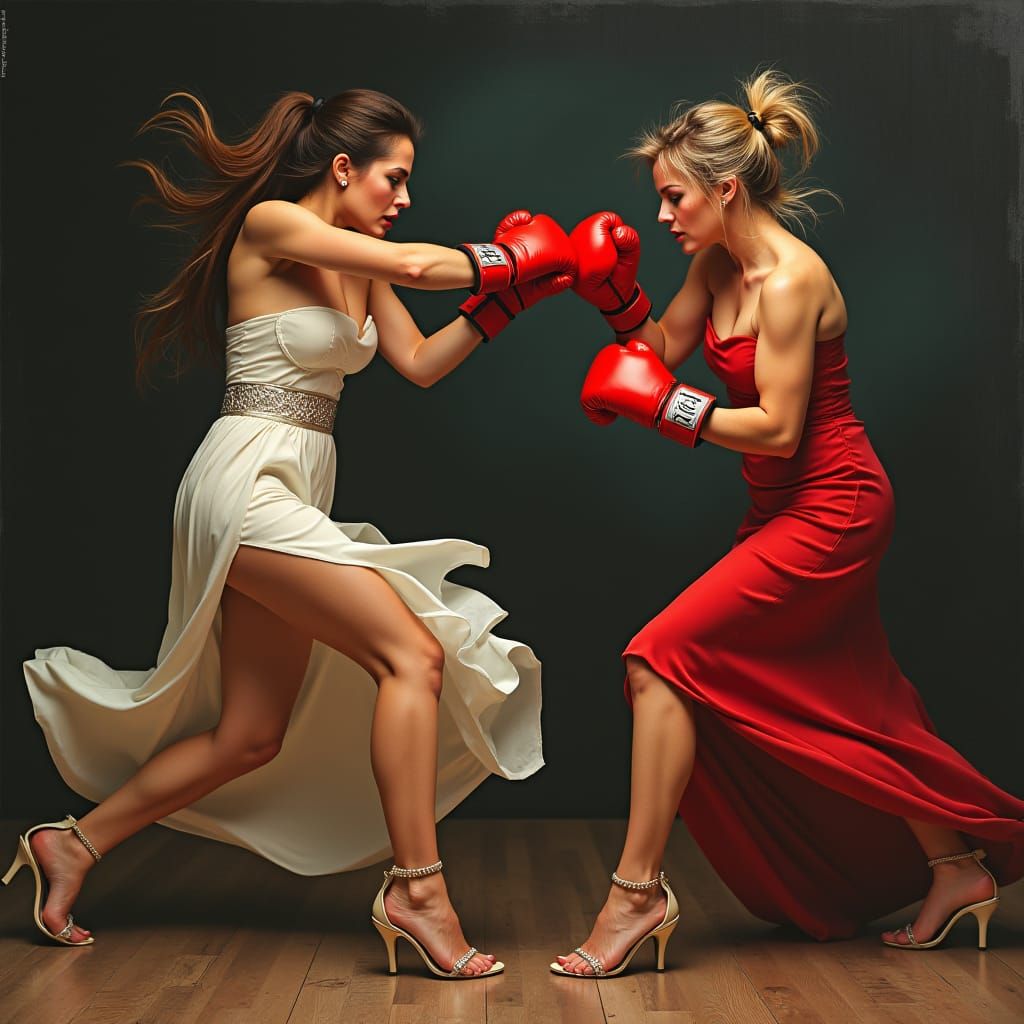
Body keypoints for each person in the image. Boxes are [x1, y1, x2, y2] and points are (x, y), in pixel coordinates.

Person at [7, 88, 575, 979]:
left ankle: (72, 844)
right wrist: (513, 256)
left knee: (249, 735)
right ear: (343, 168)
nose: (404, 198)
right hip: (245, 480)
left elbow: (420, 363)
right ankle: (418, 892)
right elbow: (434, 268)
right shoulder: (274, 223)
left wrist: (507, 303)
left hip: (296, 485)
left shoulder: (369, 257)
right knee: (412, 658)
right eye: (395, 177)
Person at [549, 68, 1024, 977]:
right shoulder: (712, 263)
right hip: (781, 509)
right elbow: (651, 354)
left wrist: (663, 410)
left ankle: (635, 897)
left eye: (673, 197)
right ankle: (955, 867)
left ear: (726, 188)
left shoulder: (793, 280)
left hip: (833, 505)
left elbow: (776, 428)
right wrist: (609, 295)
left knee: (659, 662)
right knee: (856, 696)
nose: (663, 217)